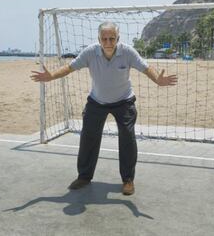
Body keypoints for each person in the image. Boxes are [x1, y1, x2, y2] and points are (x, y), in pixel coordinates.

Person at [31, 21, 177, 195]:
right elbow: (69, 68)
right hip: (97, 101)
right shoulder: (90, 52)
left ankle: (128, 180)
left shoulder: (128, 52)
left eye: (112, 38)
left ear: (118, 38)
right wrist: (51, 76)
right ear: (99, 39)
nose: (108, 42)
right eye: (104, 39)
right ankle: (84, 176)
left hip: (124, 101)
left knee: (127, 137)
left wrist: (157, 80)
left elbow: (146, 69)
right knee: (88, 136)